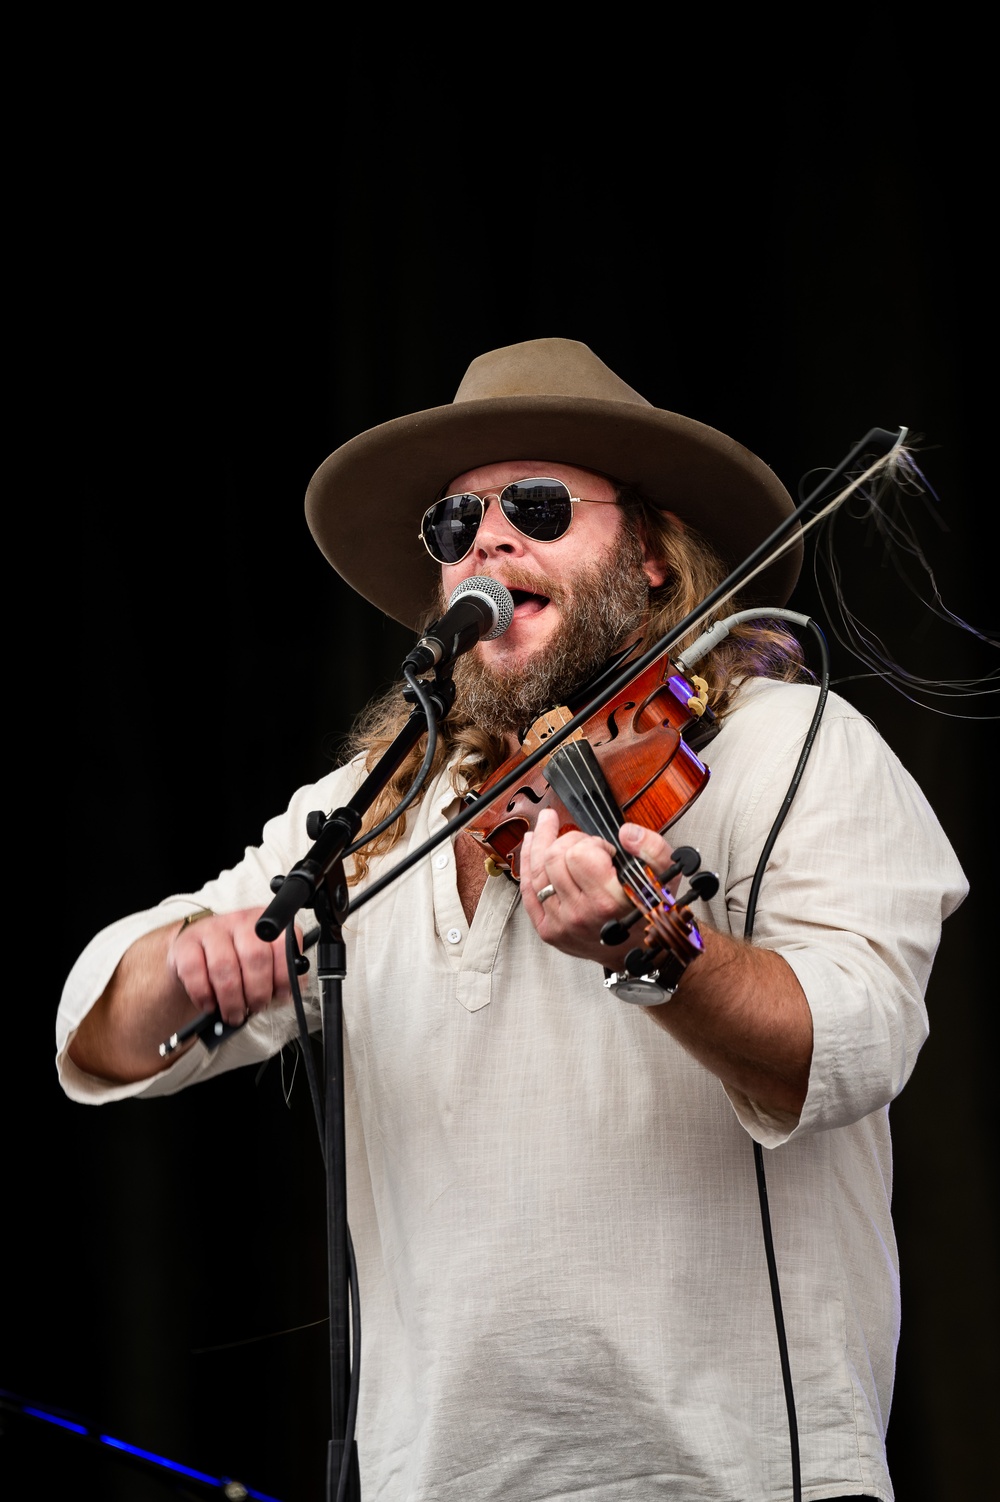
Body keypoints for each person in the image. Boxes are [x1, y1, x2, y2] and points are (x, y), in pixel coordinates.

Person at [57, 337, 968, 1502]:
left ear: (647, 554)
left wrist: (655, 949)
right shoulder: (373, 812)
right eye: (455, 523)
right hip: (435, 1476)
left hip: (734, 1472)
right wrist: (190, 961)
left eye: (536, 507)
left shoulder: (787, 746)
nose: (487, 537)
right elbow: (101, 1036)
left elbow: (858, 1038)